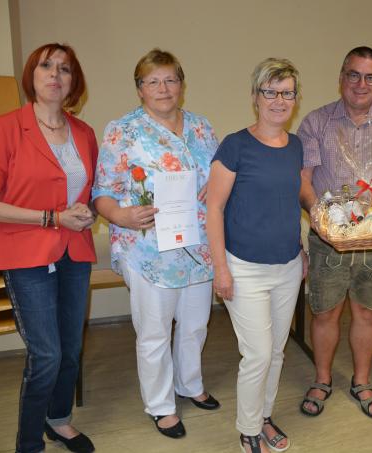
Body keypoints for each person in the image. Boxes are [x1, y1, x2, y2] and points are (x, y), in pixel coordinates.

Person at [92, 48, 220, 439]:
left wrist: (213, 191)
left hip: (197, 245)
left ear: (182, 84)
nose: (163, 88)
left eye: (171, 79)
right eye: (153, 81)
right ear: (140, 89)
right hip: (147, 247)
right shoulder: (123, 131)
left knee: (196, 323)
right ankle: (161, 405)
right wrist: (119, 216)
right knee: (154, 330)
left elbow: (217, 176)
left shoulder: (201, 127)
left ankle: (189, 383)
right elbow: (103, 192)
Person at [0, 43, 98, 453]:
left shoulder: (84, 132)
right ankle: (28, 443)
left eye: (65, 68)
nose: (55, 74)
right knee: (46, 354)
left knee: (71, 349)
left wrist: (86, 212)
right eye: (46, 66)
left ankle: (59, 419)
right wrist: (51, 217)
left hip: (75, 252)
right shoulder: (4, 128)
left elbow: (86, 191)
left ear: (73, 82)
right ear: (32, 75)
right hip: (27, 254)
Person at [298, 46, 372, 419]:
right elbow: (304, 182)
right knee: (325, 313)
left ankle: (362, 380)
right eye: (354, 75)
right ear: (341, 77)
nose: (361, 84)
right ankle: (322, 378)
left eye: (370, 77)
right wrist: (325, 221)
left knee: (366, 313)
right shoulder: (316, 123)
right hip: (328, 238)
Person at [206, 57, 306, 453]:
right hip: (243, 268)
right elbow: (213, 208)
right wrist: (220, 269)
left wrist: (301, 251)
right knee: (258, 353)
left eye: (287, 93)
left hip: (287, 265)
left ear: (295, 99)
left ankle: (264, 417)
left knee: (276, 352)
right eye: (271, 92)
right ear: (255, 97)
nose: (279, 100)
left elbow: (287, 203)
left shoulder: (296, 146)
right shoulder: (235, 145)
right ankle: (247, 428)